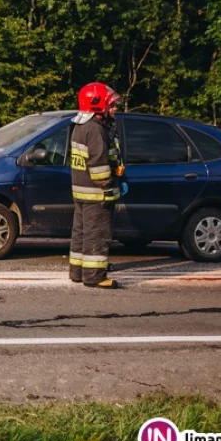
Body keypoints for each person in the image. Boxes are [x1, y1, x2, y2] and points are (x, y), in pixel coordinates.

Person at [69, 82, 127, 289]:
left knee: (81, 233)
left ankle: (78, 271)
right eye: (111, 106)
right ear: (97, 105)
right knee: (96, 233)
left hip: (81, 190)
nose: (114, 110)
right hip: (96, 193)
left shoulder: (79, 126)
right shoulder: (95, 130)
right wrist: (110, 187)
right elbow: (99, 166)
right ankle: (94, 276)